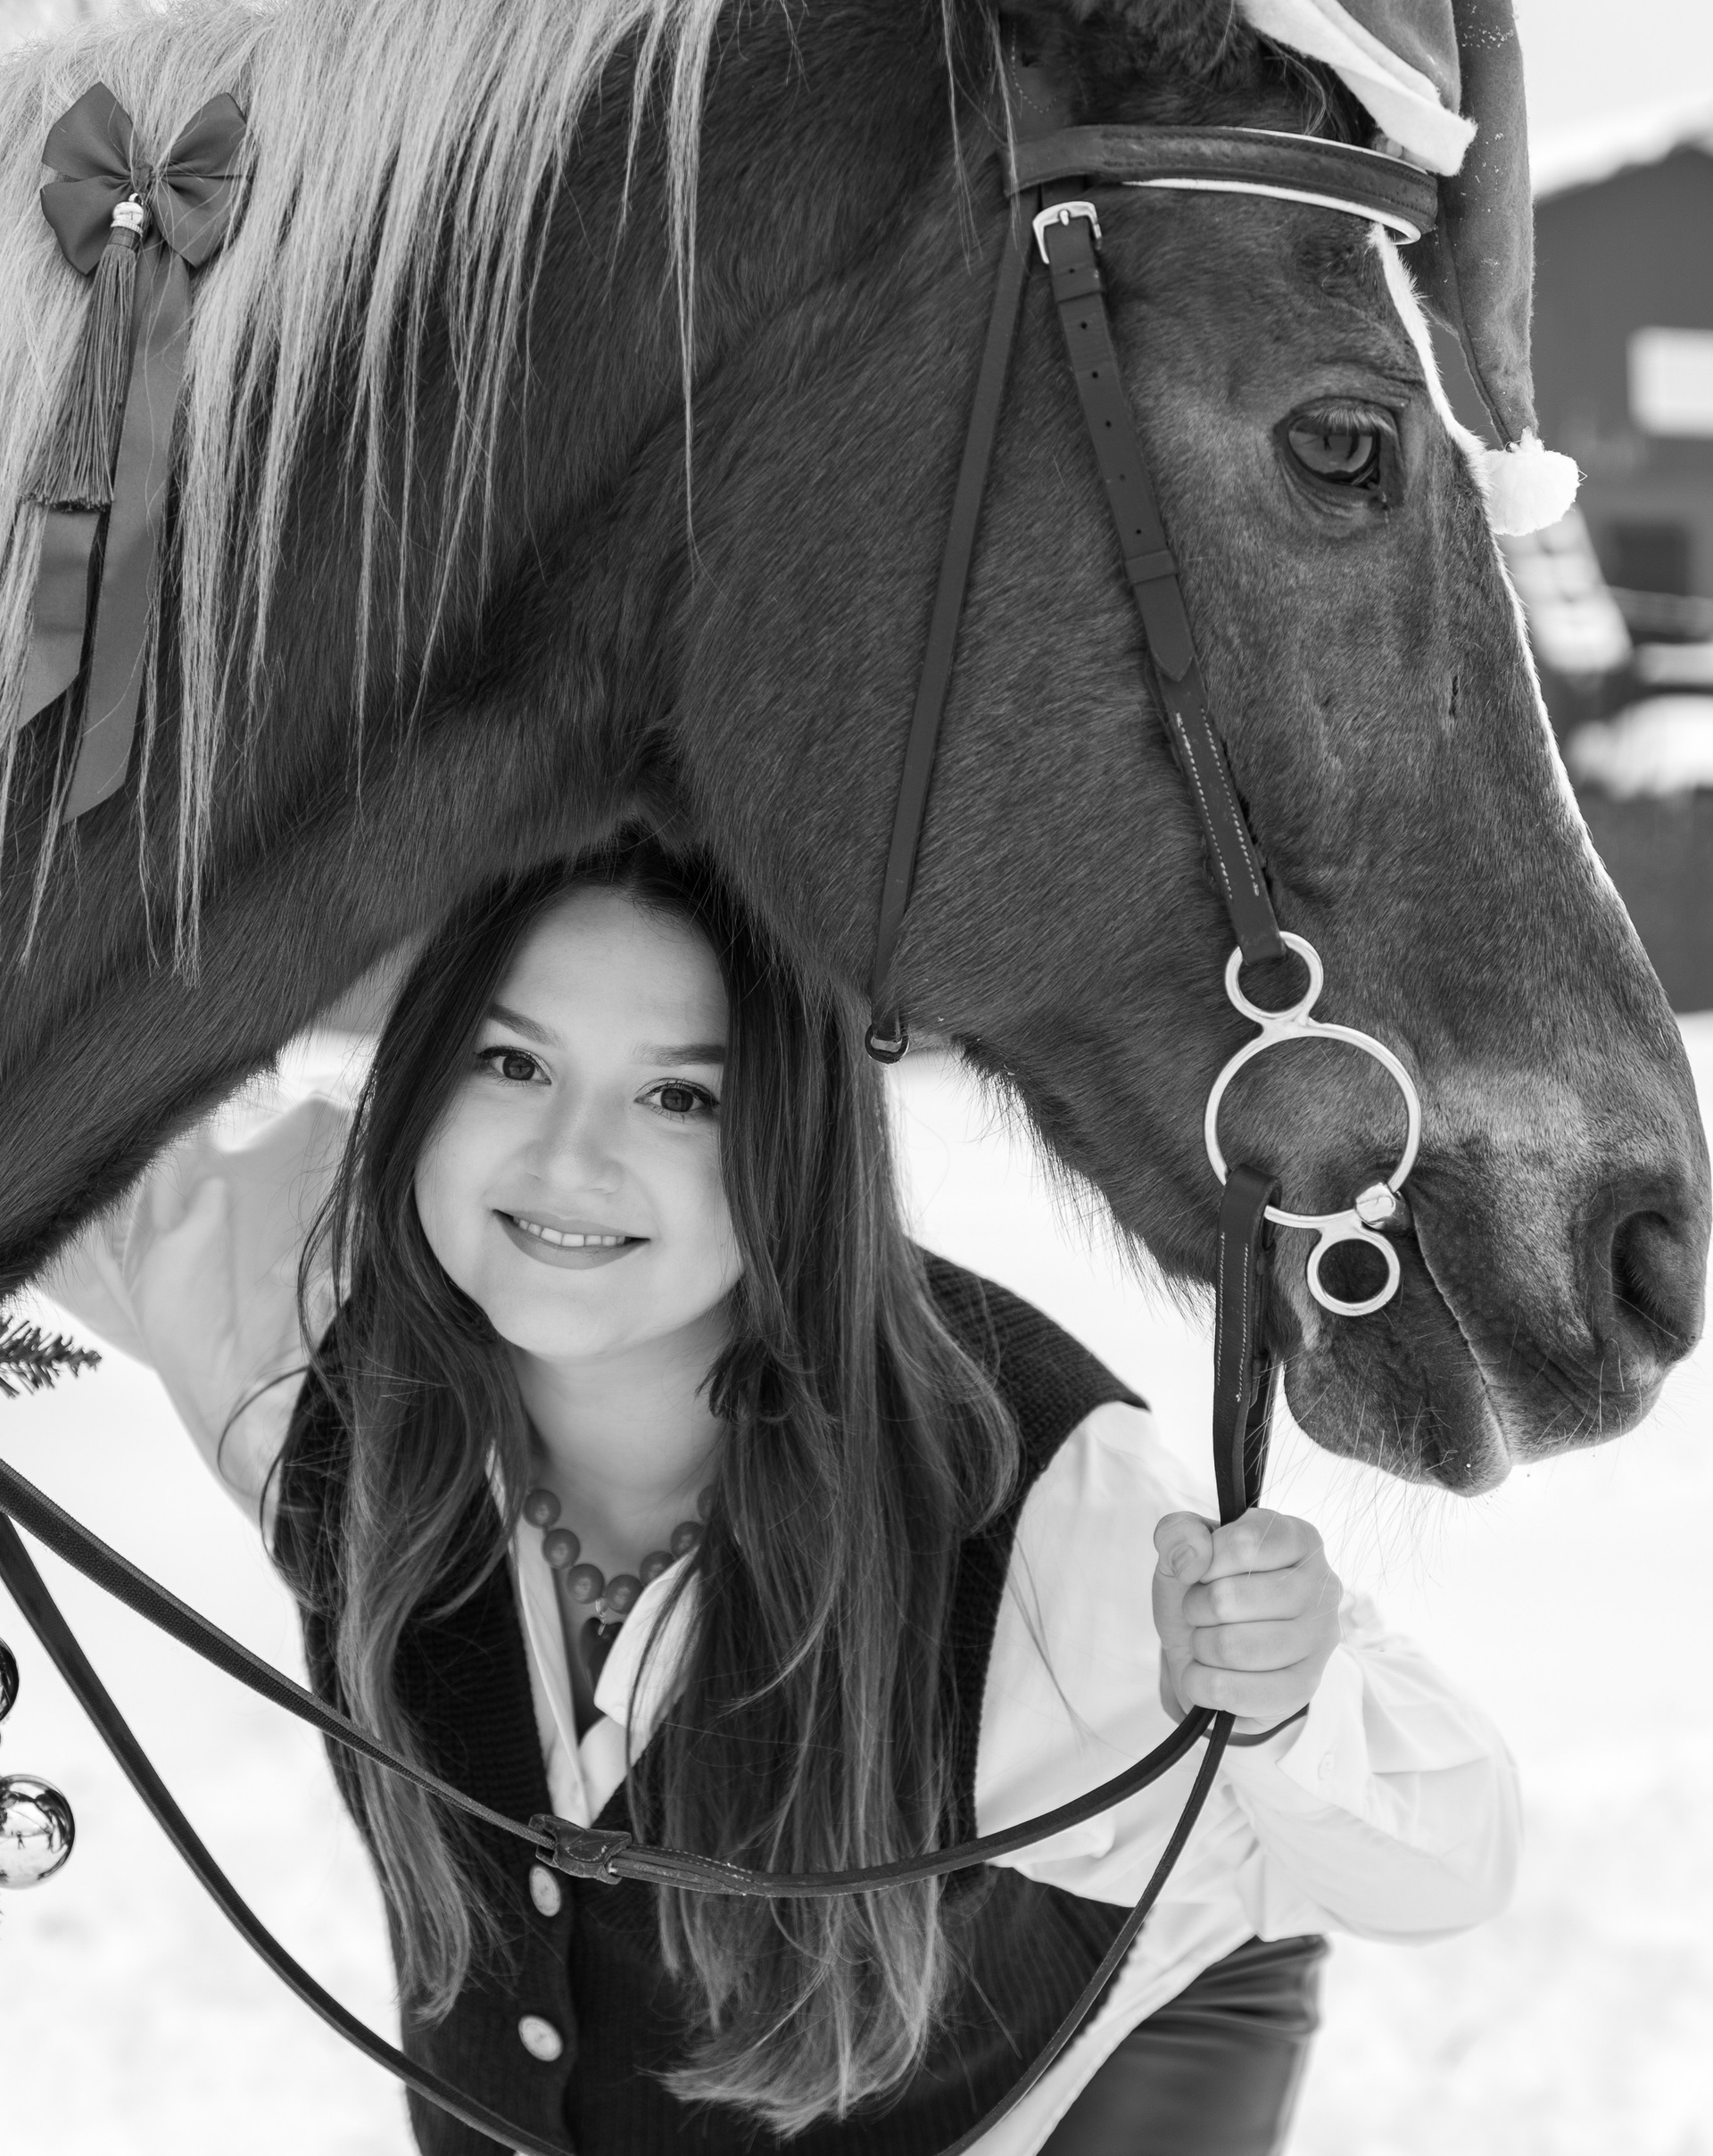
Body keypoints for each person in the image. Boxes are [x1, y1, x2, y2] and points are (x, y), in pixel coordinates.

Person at [47, 834, 1519, 2156]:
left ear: (795, 1144)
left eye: (679, 1095)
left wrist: (1278, 1695)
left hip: (1078, 2059)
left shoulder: (1029, 1506)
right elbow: (36, 1079)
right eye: (512, 1063)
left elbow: (1447, 1859)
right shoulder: (305, 1304)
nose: (569, 1157)